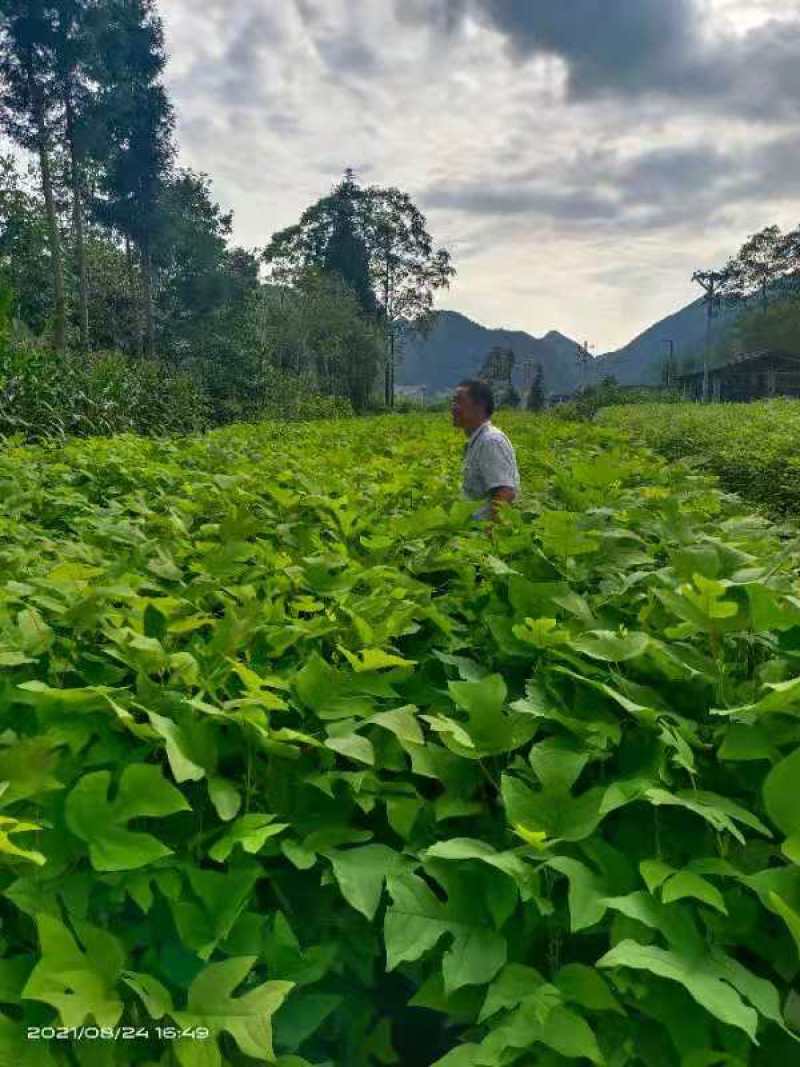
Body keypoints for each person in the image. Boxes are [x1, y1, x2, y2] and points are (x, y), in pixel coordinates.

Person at [451, 378, 520, 523]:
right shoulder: (478, 440)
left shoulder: (491, 441)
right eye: (453, 401)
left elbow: (504, 492)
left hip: (483, 537)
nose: (453, 407)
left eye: (459, 401)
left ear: (479, 406)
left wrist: (493, 534)